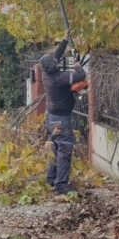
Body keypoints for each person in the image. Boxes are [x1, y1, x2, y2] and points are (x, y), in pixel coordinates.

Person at [39, 35, 86, 195]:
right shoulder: (58, 79)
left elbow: (56, 56)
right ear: (55, 66)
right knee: (64, 151)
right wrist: (78, 66)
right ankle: (61, 185)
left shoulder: (46, 73)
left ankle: (51, 179)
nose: (56, 60)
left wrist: (65, 40)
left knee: (55, 148)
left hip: (50, 118)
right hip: (61, 119)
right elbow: (81, 76)